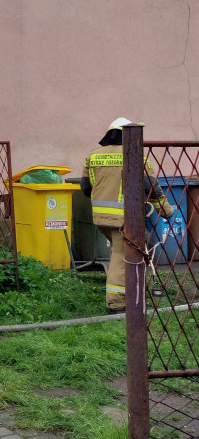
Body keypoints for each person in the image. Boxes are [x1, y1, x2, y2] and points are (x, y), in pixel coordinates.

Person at [82, 117, 174, 313]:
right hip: (124, 218)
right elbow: (152, 189)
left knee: (119, 252)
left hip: (101, 218)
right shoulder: (135, 156)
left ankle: (131, 293)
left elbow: (85, 187)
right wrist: (166, 210)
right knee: (120, 257)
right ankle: (116, 303)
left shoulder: (93, 156)